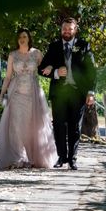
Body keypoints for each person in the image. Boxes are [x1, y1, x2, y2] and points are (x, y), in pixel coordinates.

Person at [40, 17, 96, 170]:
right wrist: (56, 72)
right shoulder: (54, 47)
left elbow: (91, 71)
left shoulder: (84, 46)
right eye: (64, 29)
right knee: (58, 126)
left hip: (78, 94)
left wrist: (91, 92)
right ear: (61, 30)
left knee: (75, 127)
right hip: (59, 94)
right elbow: (41, 68)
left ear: (75, 30)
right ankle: (61, 157)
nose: (66, 31)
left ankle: (72, 159)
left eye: (70, 29)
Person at [0, 29, 57, 169]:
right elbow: (8, 76)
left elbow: (45, 69)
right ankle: (17, 158)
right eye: (19, 37)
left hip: (33, 94)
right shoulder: (13, 55)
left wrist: (50, 66)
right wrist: (2, 92)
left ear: (29, 38)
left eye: (24, 36)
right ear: (17, 40)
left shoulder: (36, 53)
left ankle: (33, 157)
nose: (22, 39)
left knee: (32, 126)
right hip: (16, 92)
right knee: (16, 125)